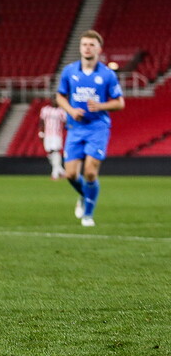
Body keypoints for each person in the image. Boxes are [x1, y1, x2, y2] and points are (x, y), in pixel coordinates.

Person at [56, 30, 124, 227]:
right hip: (75, 127)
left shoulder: (107, 74)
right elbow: (60, 96)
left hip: (97, 127)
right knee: (69, 174)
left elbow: (120, 103)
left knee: (90, 172)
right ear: (80, 48)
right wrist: (70, 109)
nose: (87, 47)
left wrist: (100, 106)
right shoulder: (69, 71)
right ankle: (85, 194)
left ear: (99, 49)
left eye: (91, 45)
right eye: (84, 44)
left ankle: (88, 215)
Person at [38, 101, 67, 179]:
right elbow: (41, 121)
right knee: (50, 152)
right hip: (47, 134)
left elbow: (65, 122)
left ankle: (54, 174)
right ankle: (61, 171)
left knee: (55, 151)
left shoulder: (61, 111)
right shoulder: (45, 110)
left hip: (56, 135)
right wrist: (41, 131)